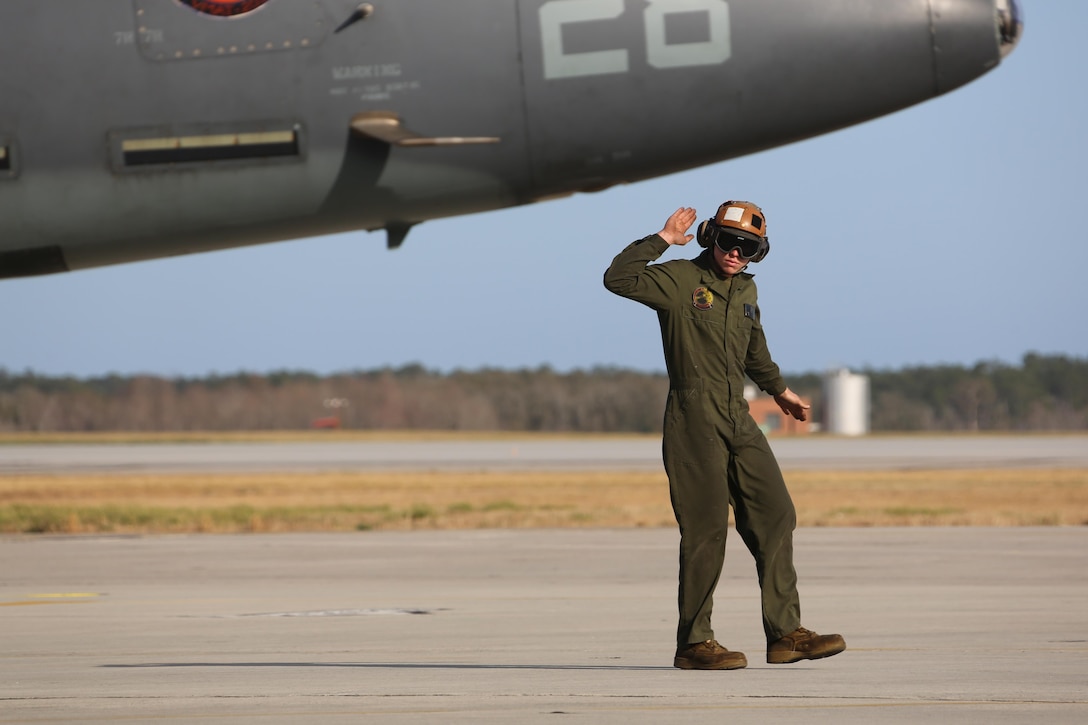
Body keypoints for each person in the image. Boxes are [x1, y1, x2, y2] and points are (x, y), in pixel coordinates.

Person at [603, 201, 845, 670]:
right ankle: (694, 644)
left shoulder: (748, 291)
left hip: (738, 416)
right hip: (693, 418)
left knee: (776, 514)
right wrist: (662, 239)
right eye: (729, 242)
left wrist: (781, 392)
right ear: (710, 237)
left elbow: (756, 353)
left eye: (748, 248)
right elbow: (618, 278)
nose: (736, 253)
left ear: (759, 252)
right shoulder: (678, 281)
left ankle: (786, 635)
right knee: (706, 530)